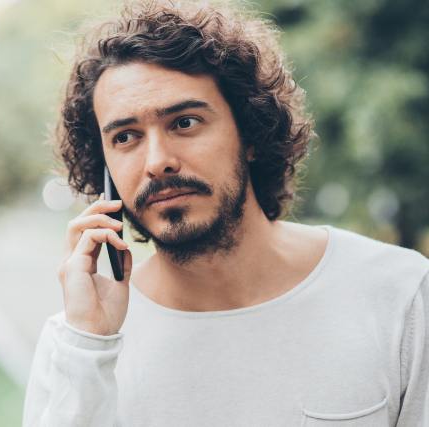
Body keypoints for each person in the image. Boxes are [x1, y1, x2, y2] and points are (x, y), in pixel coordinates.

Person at [22, 1, 429, 426]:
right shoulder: (77, 343)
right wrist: (91, 347)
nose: (157, 161)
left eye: (184, 123)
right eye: (126, 137)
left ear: (250, 133)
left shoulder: (397, 294)